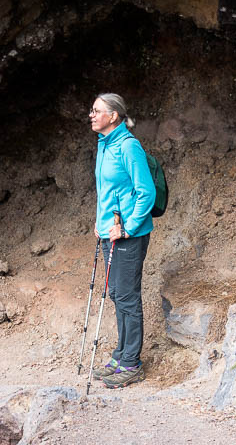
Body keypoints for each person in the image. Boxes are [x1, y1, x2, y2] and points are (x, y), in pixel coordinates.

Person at [88, 93, 155, 388]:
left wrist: (127, 228)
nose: (91, 115)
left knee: (127, 296)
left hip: (128, 235)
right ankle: (120, 354)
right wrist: (101, 221)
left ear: (113, 116)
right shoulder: (104, 145)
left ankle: (131, 362)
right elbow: (107, 191)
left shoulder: (129, 147)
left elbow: (146, 192)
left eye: (97, 111)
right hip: (109, 232)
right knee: (115, 292)